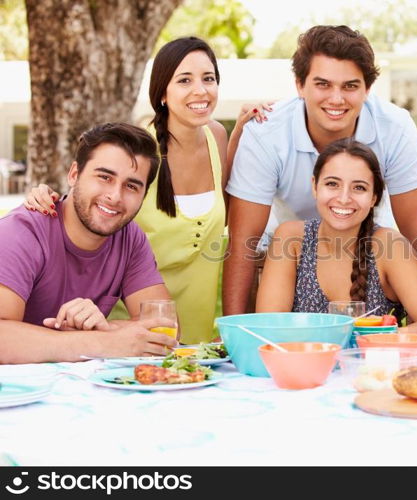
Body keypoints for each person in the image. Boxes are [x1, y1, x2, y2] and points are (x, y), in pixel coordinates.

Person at [24, 37, 267, 344]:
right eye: (184, 80)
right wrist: (44, 195)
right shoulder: (140, 151)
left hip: (197, 327)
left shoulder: (217, 136)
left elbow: (228, 211)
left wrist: (242, 130)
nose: (201, 90)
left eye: (209, 78)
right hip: (124, 325)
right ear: (162, 93)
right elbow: (93, 202)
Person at [223, 25, 417, 316]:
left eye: (350, 86)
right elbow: (241, 243)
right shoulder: (267, 133)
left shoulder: (395, 127)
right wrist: (233, 336)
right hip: (286, 250)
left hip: (370, 246)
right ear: (300, 85)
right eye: (323, 84)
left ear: (367, 89)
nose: (336, 99)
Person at [0, 123, 177, 364]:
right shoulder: (21, 232)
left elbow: (165, 327)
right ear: (74, 174)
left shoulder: (130, 238)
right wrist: (97, 343)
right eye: (104, 177)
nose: (115, 196)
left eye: (131, 186)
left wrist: (104, 328)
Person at [256, 138, 417, 335]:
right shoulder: (291, 239)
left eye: (359, 187)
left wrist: (376, 340)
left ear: (373, 198)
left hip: (373, 365)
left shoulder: (389, 245)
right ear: (315, 186)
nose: (344, 198)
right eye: (332, 184)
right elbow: (269, 325)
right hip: (304, 363)